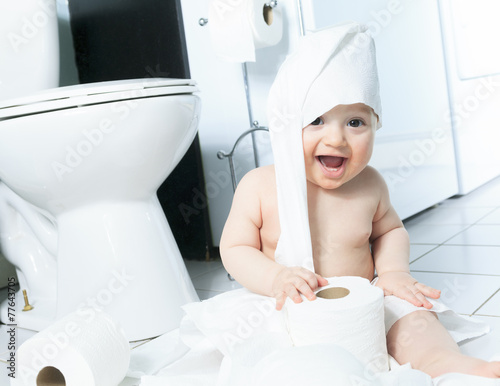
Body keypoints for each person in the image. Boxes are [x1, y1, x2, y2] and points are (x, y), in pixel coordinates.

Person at [219, 22, 500, 379]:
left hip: (363, 304)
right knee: (261, 350)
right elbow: (235, 248)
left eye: (355, 122)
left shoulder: (370, 184)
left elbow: (390, 231)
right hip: (282, 301)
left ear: (375, 125)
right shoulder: (259, 186)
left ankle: (447, 365)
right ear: (286, 125)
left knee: (413, 319)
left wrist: (395, 272)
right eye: (316, 120)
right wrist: (276, 278)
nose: (336, 138)